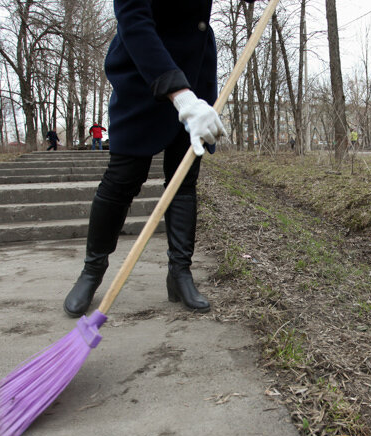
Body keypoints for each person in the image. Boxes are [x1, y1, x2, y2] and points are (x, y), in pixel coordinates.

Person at [63, 0, 253, 318]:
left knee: (184, 181)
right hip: (144, 73)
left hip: (194, 69)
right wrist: (181, 97)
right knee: (122, 179)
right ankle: (91, 272)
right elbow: (134, 21)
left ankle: (180, 274)